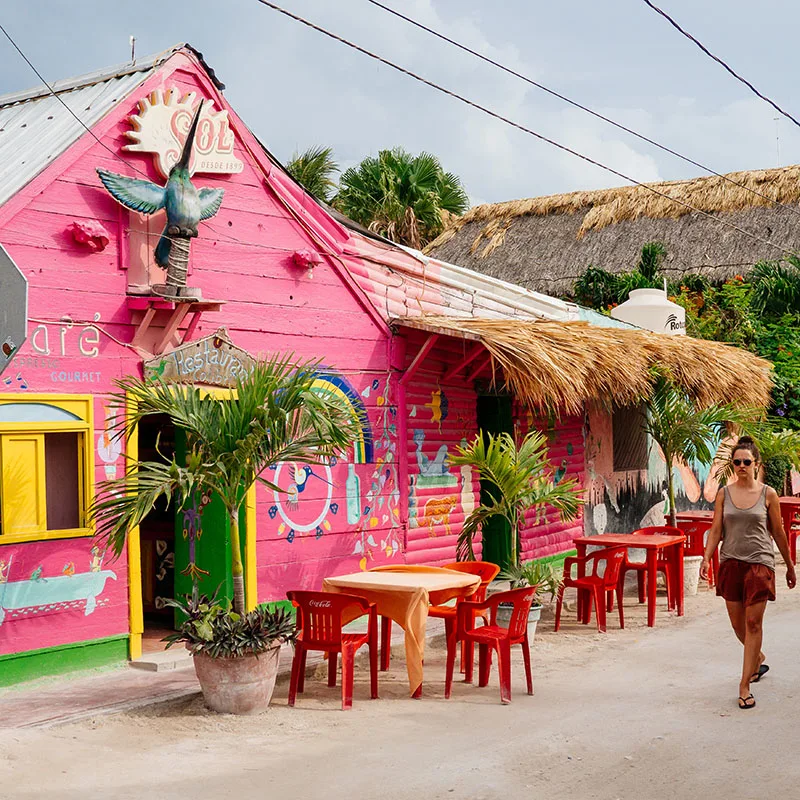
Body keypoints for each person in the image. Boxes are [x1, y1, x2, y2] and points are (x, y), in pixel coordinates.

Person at [701, 436, 796, 710]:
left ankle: (744, 685)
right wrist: (707, 558)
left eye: (746, 461)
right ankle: (757, 657)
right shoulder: (724, 494)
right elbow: (717, 529)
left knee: (753, 625)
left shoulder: (768, 494)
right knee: (737, 625)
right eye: (737, 462)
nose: (741, 466)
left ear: (756, 464)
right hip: (730, 563)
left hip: (759, 563)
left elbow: (778, 531)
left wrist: (789, 565)